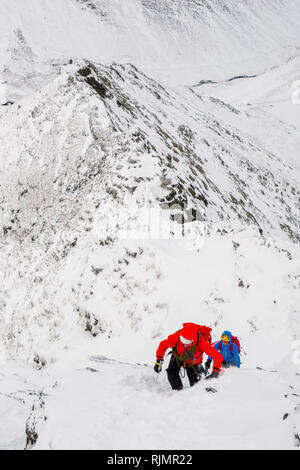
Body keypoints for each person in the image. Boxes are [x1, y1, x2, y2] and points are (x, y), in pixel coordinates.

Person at [154, 323, 223, 391]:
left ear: (193, 340)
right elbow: (163, 345)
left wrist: (215, 371)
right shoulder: (178, 336)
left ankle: (193, 394)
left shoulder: (201, 341)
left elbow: (217, 356)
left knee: (195, 383)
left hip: (193, 362)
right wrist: (159, 359)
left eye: (187, 341)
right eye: (182, 340)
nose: (184, 343)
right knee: (171, 372)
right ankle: (177, 391)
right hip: (178, 356)